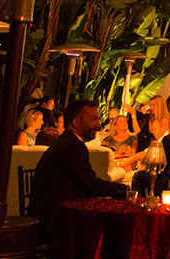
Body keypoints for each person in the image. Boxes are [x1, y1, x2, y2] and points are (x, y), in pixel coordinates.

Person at [28, 99, 126, 237]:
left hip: (53, 215)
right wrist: (124, 190)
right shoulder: (72, 146)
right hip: (56, 222)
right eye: (93, 119)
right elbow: (90, 184)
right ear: (75, 122)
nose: (98, 125)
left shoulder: (68, 142)